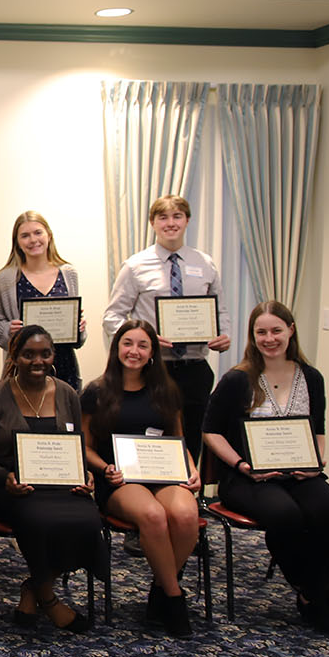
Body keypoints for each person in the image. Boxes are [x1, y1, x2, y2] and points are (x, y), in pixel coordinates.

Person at [202, 301, 329, 639]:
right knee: (286, 516)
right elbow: (210, 431)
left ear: (291, 331)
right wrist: (242, 465)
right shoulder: (238, 379)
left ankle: (315, 587)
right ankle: (314, 595)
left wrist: (317, 462)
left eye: (276, 330)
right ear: (253, 337)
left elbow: (319, 428)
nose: (269, 338)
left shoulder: (311, 377)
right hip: (246, 477)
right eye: (261, 332)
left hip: (299, 473)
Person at [0, 325, 102, 634]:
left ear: (54, 356)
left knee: (88, 518)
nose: (37, 361)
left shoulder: (67, 393)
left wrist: (85, 475)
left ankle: (32, 587)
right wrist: (5, 478)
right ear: (14, 357)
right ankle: (49, 597)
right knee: (38, 518)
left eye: (45, 354)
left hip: (59, 486)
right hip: (8, 489)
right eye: (28, 354)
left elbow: (76, 446)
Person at [82, 320, 200, 638]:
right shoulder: (97, 391)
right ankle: (174, 599)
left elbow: (179, 439)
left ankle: (161, 588)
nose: (134, 351)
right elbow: (85, 447)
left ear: (152, 352)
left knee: (187, 514)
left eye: (142, 345)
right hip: (120, 480)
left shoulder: (166, 390)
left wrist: (191, 469)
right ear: (116, 348)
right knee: (153, 516)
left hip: (164, 474)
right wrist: (104, 467)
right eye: (127, 343)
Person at [104, 195, 231, 460]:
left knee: (193, 435)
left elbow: (220, 311)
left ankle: (189, 491)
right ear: (152, 223)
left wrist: (224, 335)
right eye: (163, 217)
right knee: (154, 435)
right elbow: (112, 317)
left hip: (195, 367)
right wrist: (143, 341)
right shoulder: (135, 266)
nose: (170, 223)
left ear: (187, 221)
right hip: (152, 370)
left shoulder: (205, 264)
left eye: (177, 216)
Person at [0, 211, 87, 392]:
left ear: (48, 235)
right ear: (17, 242)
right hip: (23, 370)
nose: (33, 240)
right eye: (25, 236)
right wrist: (9, 330)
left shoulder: (68, 273)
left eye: (38, 233)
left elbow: (77, 335)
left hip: (65, 368)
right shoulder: (6, 278)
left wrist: (79, 329)